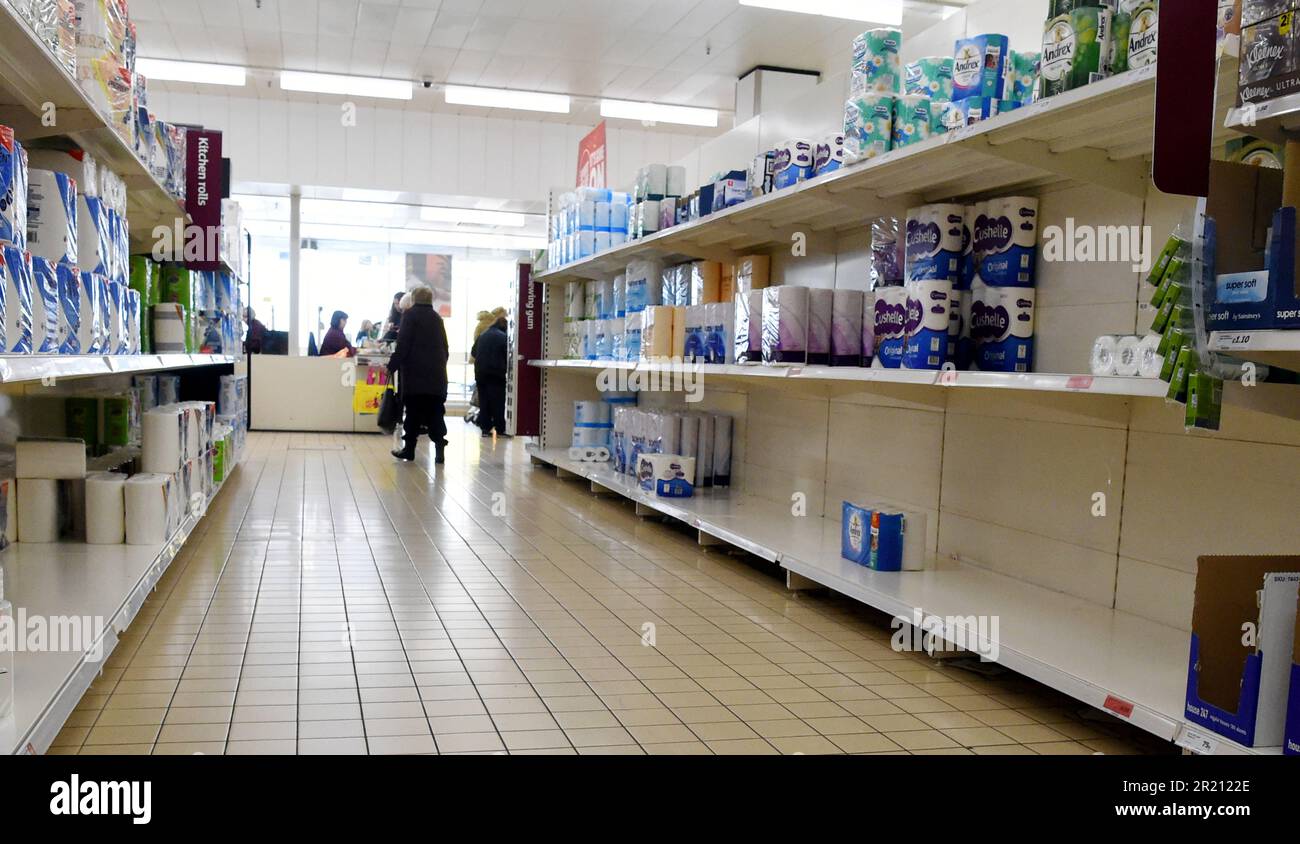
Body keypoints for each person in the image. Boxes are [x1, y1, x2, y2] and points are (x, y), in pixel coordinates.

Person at [388, 286, 450, 464]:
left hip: (415, 376)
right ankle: (439, 451)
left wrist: (393, 364)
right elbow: (445, 348)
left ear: (414, 298)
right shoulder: (437, 318)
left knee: (413, 413)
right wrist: (439, 366)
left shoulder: (410, 315)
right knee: (436, 412)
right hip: (437, 377)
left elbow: (403, 344)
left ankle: (409, 450)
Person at [471, 315, 509, 438]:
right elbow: (507, 356)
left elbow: (473, 352)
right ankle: (500, 428)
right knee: (498, 401)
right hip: (496, 373)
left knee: (484, 400)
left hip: (480, 373)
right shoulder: (503, 337)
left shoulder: (483, 335)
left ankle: (485, 429)